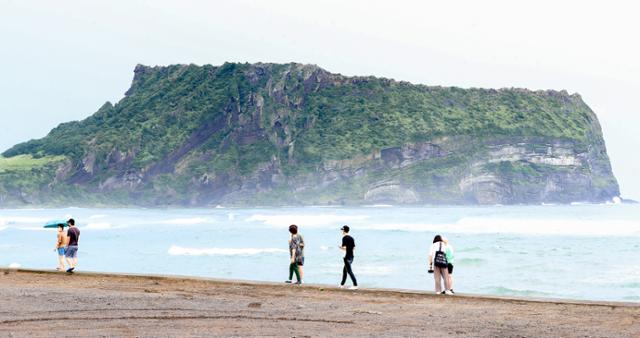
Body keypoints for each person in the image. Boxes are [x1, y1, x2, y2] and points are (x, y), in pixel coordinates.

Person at [339, 225, 358, 290]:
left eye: (342, 230)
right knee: (345, 270)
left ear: (344, 230)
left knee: (349, 271)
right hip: (352, 256)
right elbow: (354, 248)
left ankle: (355, 285)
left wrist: (340, 247)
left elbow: (344, 247)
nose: (342, 231)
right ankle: (342, 284)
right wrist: (348, 249)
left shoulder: (344, 238)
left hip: (347, 257)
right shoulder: (352, 238)